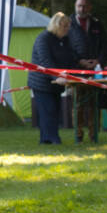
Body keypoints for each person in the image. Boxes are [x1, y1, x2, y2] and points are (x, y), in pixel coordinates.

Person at [28, 12, 79, 144]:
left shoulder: (64, 40)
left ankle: (47, 139)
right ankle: (52, 138)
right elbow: (45, 62)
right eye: (65, 26)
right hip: (41, 82)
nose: (67, 29)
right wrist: (57, 76)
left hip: (56, 83)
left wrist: (77, 69)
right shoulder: (43, 38)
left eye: (68, 26)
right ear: (57, 25)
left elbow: (70, 57)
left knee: (55, 110)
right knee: (48, 110)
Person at [68, 0, 107, 142]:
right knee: (78, 104)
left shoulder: (97, 24)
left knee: (94, 104)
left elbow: (105, 46)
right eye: (79, 6)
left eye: (84, 6)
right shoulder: (69, 23)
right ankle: (78, 135)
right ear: (75, 6)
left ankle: (94, 135)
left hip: (95, 70)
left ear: (90, 7)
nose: (82, 9)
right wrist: (79, 62)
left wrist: (98, 62)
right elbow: (66, 48)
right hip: (77, 71)